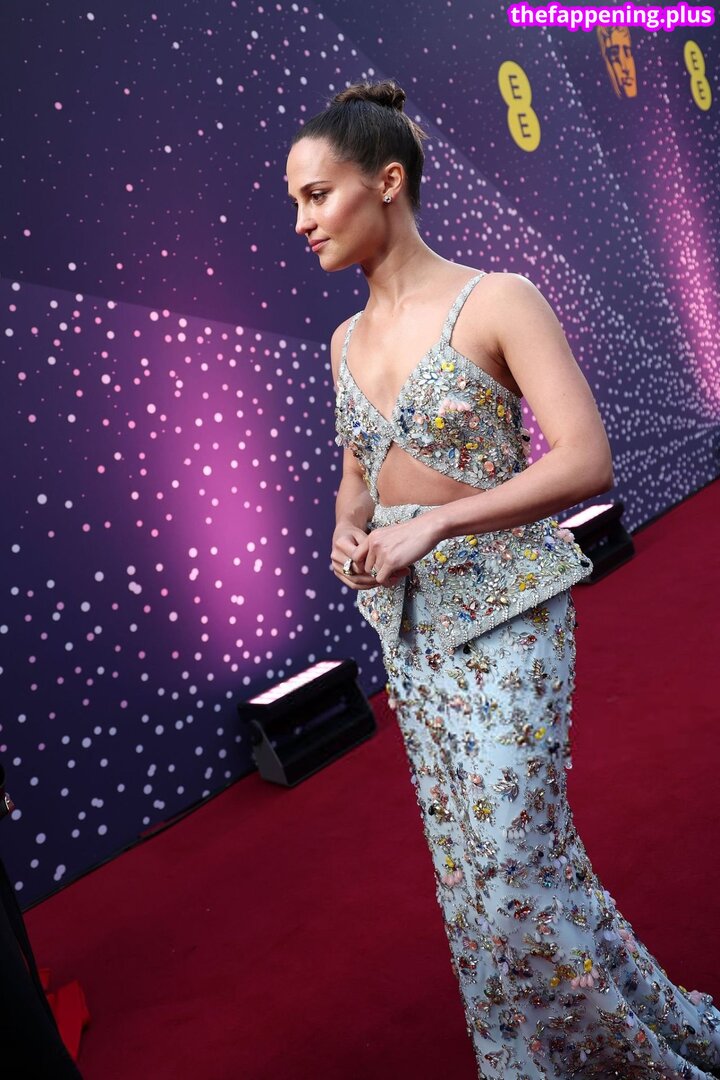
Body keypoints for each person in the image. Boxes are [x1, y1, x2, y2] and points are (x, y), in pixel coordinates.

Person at [286, 80, 720, 1079]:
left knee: (514, 871)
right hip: (410, 631)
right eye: (296, 202)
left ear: (387, 181)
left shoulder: (497, 299)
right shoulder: (343, 342)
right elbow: (357, 478)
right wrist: (348, 530)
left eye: (317, 195)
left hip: (509, 614)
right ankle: (541, 1060)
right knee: (475, 872)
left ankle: (640, 1066)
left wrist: (437, 521)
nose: (302, 222)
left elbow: (584, 460)